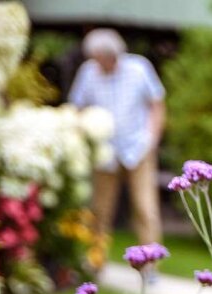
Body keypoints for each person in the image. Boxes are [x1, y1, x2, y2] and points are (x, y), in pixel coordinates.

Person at [69, 28, 166, 263]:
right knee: (100, 210)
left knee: (145, 208)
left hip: (139, 148)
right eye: (94, 58)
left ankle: (150, 264)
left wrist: (151, 139)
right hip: (105, 152)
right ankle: (96, 261)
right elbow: (76, 108)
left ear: (114, 54)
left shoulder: (138, 68)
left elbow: (157, 105)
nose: (97, 63)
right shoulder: (88, 72)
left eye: (100, 58)